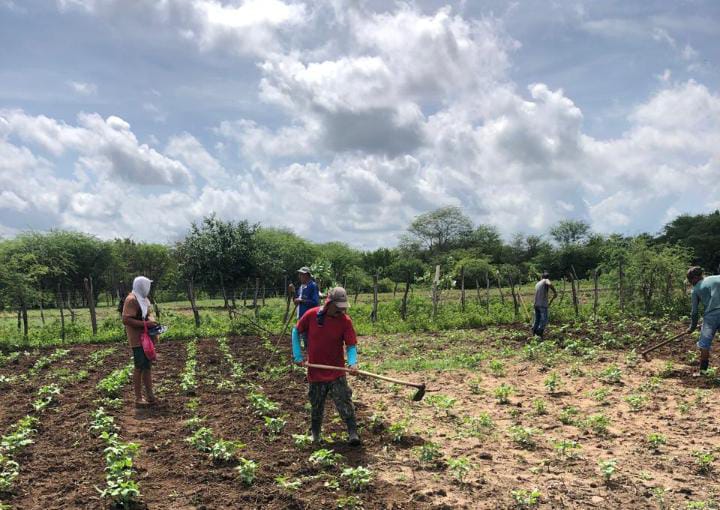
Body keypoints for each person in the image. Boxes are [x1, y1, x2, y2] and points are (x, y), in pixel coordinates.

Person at [293, 287, 360, 446]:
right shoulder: (311, 315)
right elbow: (296, 331)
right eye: (338, 308)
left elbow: (351, 345)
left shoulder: (345, 321)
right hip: (316, 371)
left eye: (343, 308)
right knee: (316, 405)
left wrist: (352, 363)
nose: (341, 311)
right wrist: (297, 355)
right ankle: (315, 434)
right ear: (329, 303)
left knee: (344, 401)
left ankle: (353, 432)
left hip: (336, 372)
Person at [122, 276, 159, 407]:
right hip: (138, 340)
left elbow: (149, 314)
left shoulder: (143, 299)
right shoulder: (131, 299)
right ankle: (138, 398)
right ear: (141, 286)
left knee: (147, 366)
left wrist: (153, 323)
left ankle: (150, 395)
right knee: (139, 367)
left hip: (146, 338)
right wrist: (146, 324)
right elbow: (126, 319)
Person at [686, 266, 720, 374]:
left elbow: (694, 312)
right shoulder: (715, 278)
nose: (691, 283)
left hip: (711, 316)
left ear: (694, 278)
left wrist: (692, 327)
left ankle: (703, 372)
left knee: (704, 344)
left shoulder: (695, 289)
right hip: (713, 315)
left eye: (691, 281)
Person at [291, 267, 320, 348]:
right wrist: (294, 292)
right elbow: (297, 299)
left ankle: (312, 357)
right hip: (301, 317)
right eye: (299, 274)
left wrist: (301, 301)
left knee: (309, 339)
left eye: (301, 274)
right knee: (305, 338)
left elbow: (315, 303)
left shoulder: (313, 286)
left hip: (310, 318)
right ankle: (309, 356)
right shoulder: (301, 287)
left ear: (307, 275)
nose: (299, 276)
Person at [532, 271, 557, 338]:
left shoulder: (537, 283)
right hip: (542, 305)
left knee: (537, 319)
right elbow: (549, 283)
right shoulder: (545, 280)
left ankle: (534, 332)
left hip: (536, 304)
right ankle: (539, 333)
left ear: (541, 277)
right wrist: (555, 292)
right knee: (544, 320)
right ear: (547, 277)